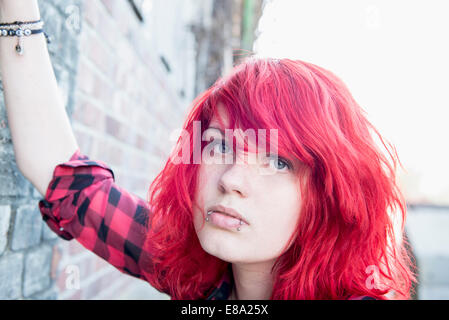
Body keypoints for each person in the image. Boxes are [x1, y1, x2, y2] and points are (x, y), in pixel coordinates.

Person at [0, 0, 416, 300]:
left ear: (328, 195)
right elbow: (62, 176)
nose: (231, 179)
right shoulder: (197, 275)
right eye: (218, 145)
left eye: (276, 160)